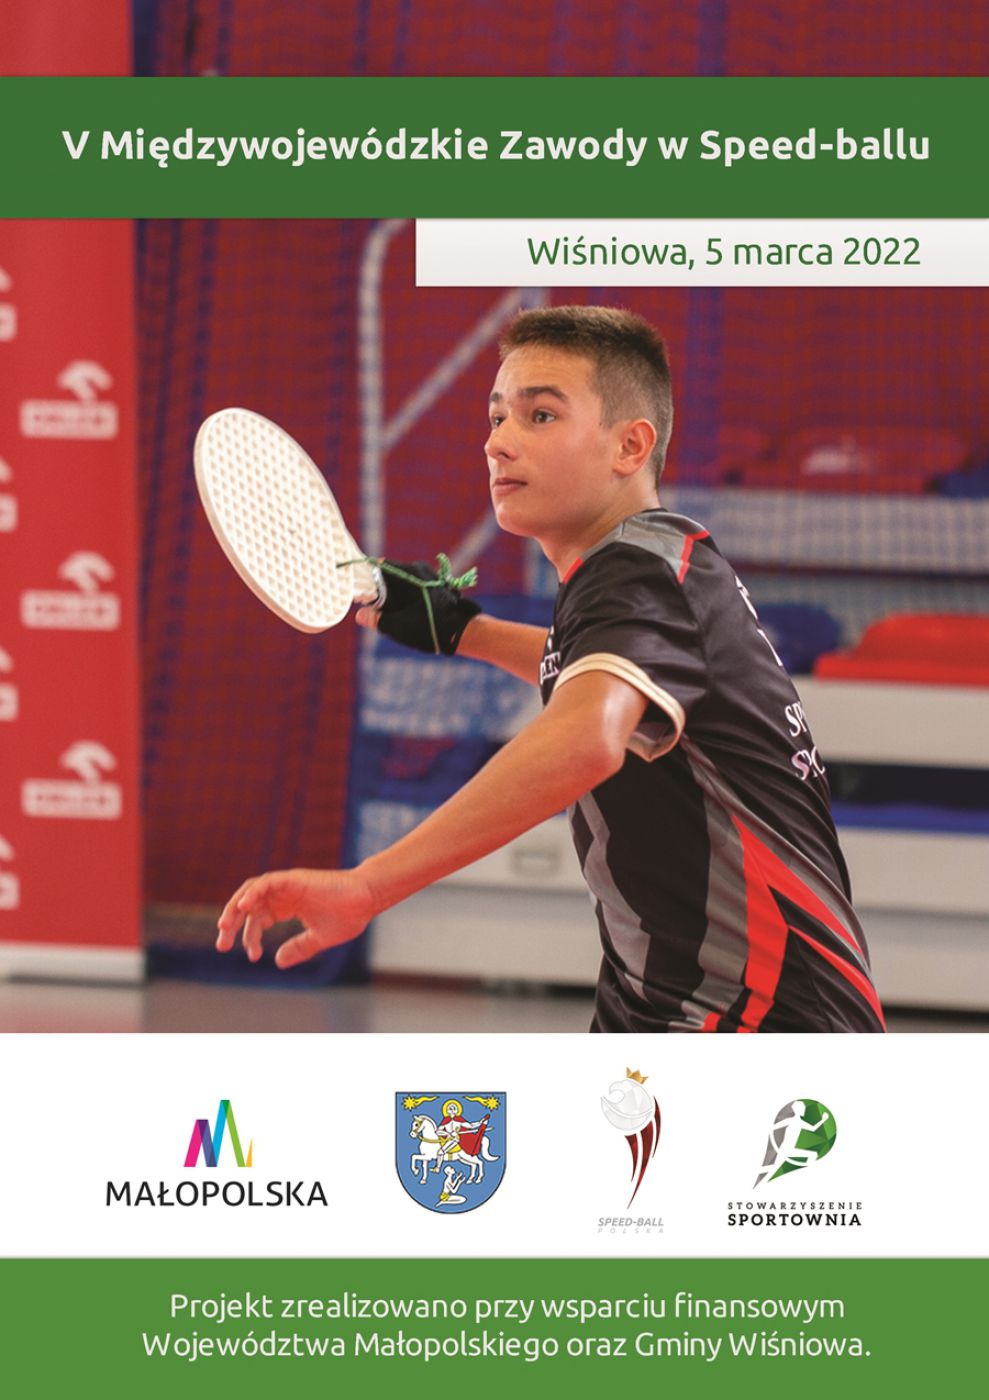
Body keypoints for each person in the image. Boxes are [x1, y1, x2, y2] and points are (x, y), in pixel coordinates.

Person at [217, 305, 885, 1034]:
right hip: (665, 1003)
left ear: (629, 446)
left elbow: (587, 735)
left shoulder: (638, 570)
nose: (498, 442)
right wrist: (464, 630)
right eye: (496, 416)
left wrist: (369, 885)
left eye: (540, 415)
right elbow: (592, 677)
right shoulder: (657, 569)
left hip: (760, 1021)